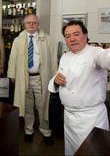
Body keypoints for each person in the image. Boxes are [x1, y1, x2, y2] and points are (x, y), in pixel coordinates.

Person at [48, 20, 110, 155]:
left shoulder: (95, 53)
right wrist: (56, 80)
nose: (72, 39)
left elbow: (107, 57)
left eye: (76, 34)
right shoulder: (65, 56)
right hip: (69, 119)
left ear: (85, 35)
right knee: (72, 152)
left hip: (91, 119)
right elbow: (55, 80)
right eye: (67, 36)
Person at [7, 14, 56, 144]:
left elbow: (53, 60)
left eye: (34, 22)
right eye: (29, 23)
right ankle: (28, 130)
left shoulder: (48, 39)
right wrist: (11, 75)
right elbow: (13, 59)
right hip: (24, 78)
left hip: (41, 78)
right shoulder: (18, 40)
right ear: (25, 25)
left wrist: (54, 78)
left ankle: (45, 131)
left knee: (43, 106)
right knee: (27, 106)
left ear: (38, 24)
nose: (31, 25)